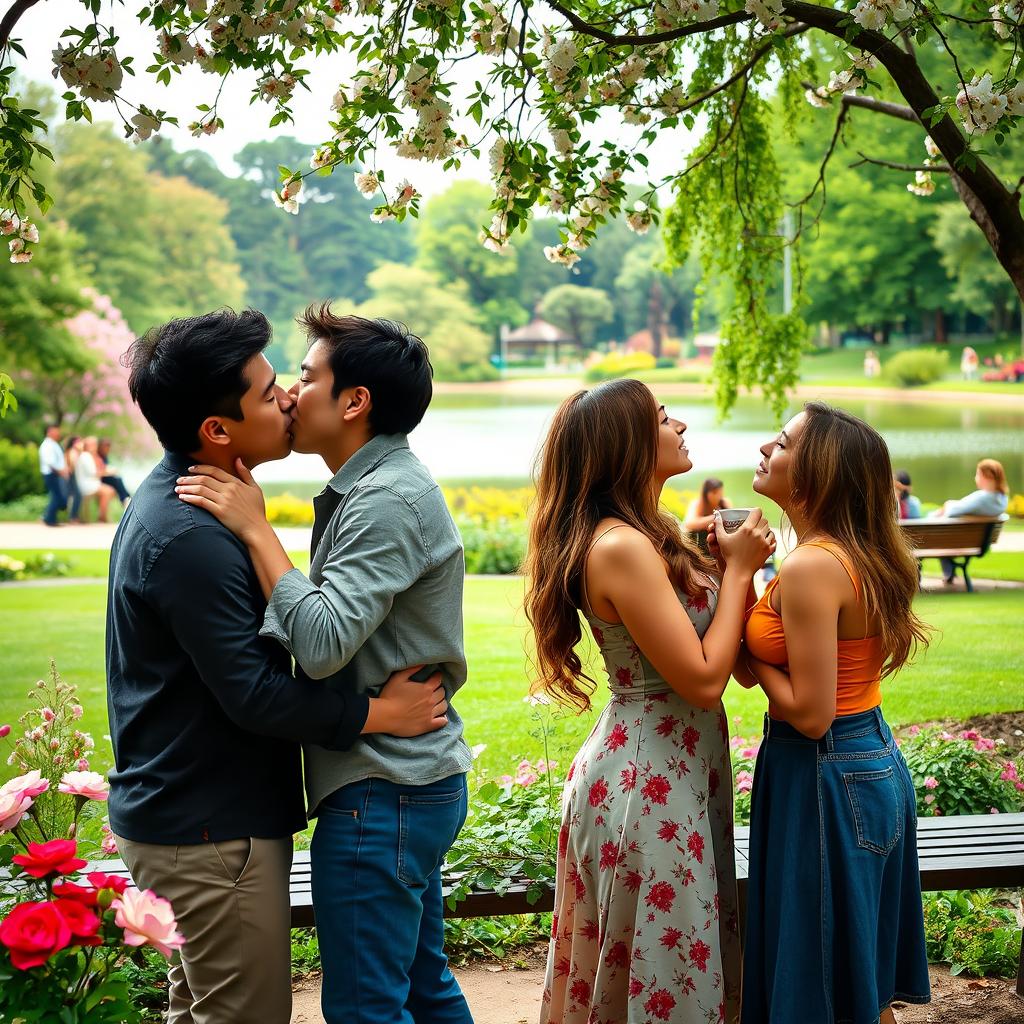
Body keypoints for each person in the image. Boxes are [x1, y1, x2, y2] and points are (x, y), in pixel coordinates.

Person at [107, 307, 448, 1024]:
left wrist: (259, 532)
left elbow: (304, 646)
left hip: (219, 818)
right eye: (271, 391)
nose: (289, 397)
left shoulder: (204, 512)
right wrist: (377, 713)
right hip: (208, 826)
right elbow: (258, 693)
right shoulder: (193, 535)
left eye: (295, 380)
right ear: (217, 430)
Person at [521, 378, 774, 1024]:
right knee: (666, 975)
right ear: (628, 443)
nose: (680, 425)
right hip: (645, 782)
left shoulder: (648, 532)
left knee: (671, 964)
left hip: (674, 771)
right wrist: (741, 571)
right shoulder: (620, 547)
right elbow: (701, 679)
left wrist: (724, 570)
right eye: (664, 418)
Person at [734, 402, 931, 1024]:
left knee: (821, 981)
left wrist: (748, 653)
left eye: (785, 441)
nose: (767, 446)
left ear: (818, 470)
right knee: (853, 982)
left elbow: (812, 713)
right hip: (858, 761)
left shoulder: (813, 566)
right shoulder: (841, 552)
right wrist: (736, 579)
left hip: (824, 767)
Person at [931, 458, 1009, 583]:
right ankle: (949, 573)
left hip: (952, 539)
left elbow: (951, 511)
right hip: (978, 541)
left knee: (935, 526)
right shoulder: (1002, 499)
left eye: (977, 474)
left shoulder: (982, 498)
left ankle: (948, 573)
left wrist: (947, 504)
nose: (975, 478)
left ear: (985, 476)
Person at [683, 476, 731, 553]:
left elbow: (731, 519)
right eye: (714, 493)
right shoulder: (697, 504)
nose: (718, 496)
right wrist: (717, 517)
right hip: (698, 547)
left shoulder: (724, 502)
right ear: (706, 494)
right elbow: (690, 524)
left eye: (720, 492)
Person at [74, 436, 117, 522]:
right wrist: (108, 472)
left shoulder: (89, 456)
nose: (95, 447)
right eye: (93, 445)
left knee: (108, 491)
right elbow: (94, 473)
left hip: (91, 483)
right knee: (109, 491)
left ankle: (102, 515)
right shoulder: (85, 456)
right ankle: (102, 517)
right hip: (87, 485)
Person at [38, 423, 68, 527]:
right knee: (57, 496)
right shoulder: (47, 445)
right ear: (49, 431)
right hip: (51, 474)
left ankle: (49, 518)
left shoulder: (54, 444)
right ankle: (48, 518)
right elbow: (50, 462)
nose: (58, 433)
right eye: (56, 430)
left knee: (56, 496)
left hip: (55, 474)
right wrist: (61, 472)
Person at [97, 437, 132, 505]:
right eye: (105, 447)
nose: (107, 449)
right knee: (117, 480)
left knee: (118, 479)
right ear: (101, 447)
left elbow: (105, 467)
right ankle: (125, 499)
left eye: (108, 447)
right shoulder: (98, 456)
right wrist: (109, 471)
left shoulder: (105, 456)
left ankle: (126, 498)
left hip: (105, 476)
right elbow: (100, 470)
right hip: (100, 478)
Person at [64, 436, 84, 522]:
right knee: (77, 495)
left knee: (71, 496)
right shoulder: (72, 452)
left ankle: (73, 516)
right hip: (71, 476)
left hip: (72, 476)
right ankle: (73, 516)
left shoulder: (74, 452)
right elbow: (72, 466)